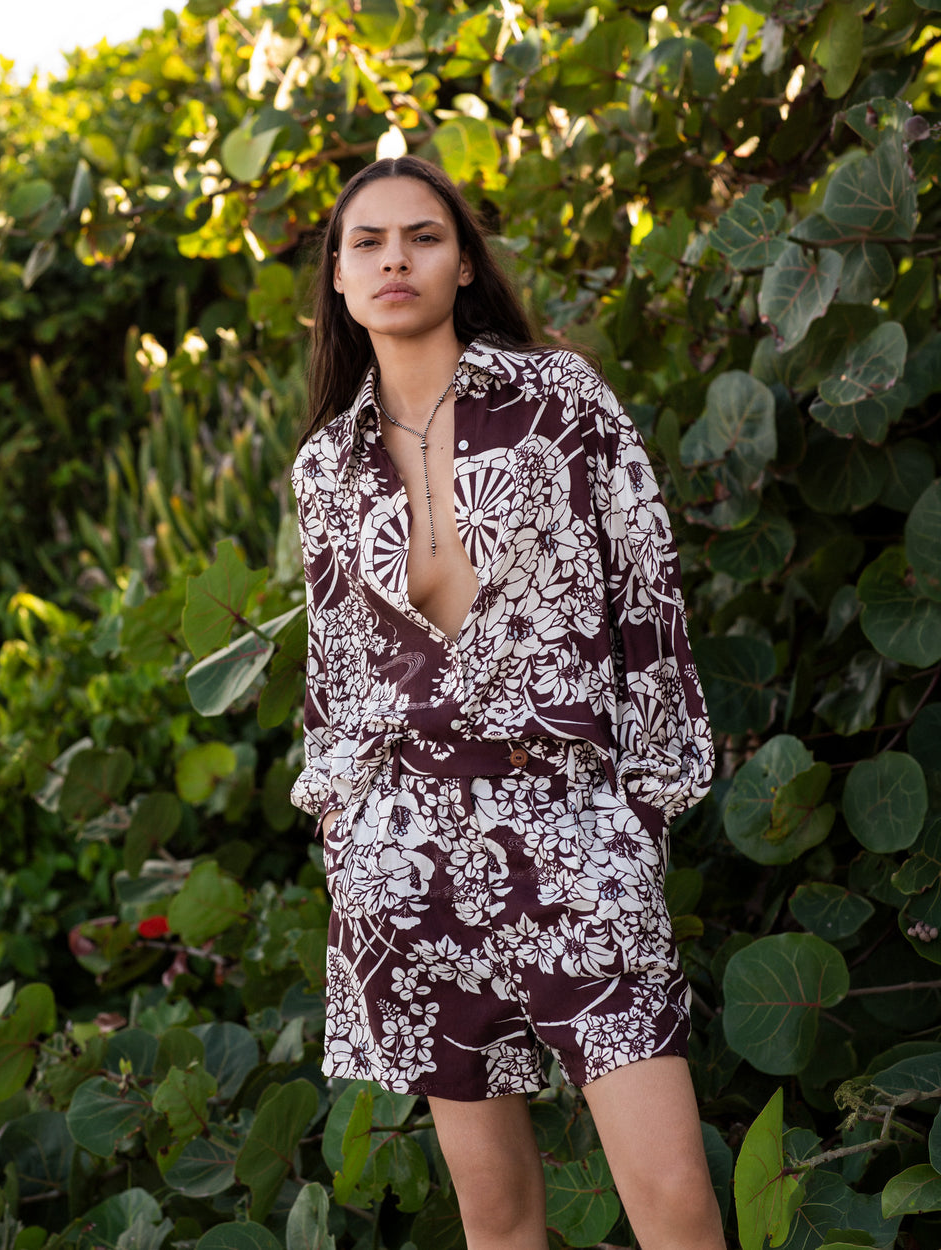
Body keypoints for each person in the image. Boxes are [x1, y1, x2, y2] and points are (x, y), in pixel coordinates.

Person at [290, 154, 725, 1250]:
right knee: (497, 1218)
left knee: (673, 1195)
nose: (394, 259)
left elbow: (646, 591)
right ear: (338, 278)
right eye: (367, 242)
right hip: (408, 854)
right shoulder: (326, 467)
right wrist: (345, 822)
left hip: (574, 826)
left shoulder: (559, 401)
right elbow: (335, 668)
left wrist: (640, 811)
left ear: (465, 264)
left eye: (423, 236)